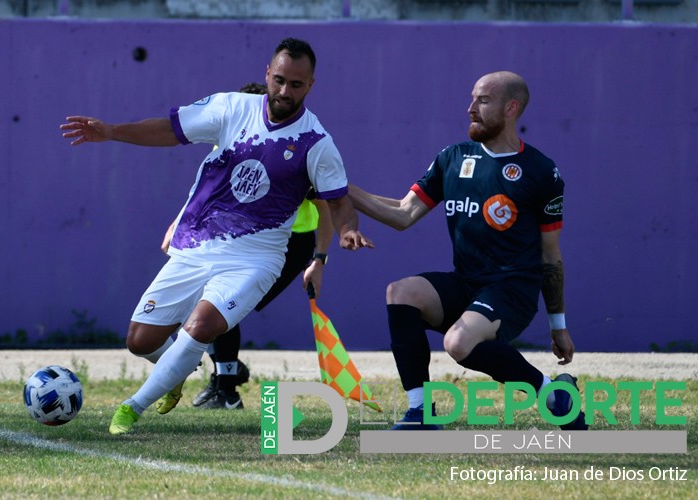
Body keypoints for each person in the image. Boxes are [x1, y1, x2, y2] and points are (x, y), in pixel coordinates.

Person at [60, 37, 373, 435]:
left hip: (256, 258)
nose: (284, 91)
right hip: (197, 245)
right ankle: (174, 375)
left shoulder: (316, 143)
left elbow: (339, 201)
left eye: (296, 84)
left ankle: (132, 407)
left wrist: (347, 232)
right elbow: (169, 131)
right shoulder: (230, 108)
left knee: (202, 326)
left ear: (311, 85)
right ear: (267, 74)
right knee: (140, 341)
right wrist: (111, 132)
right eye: (279, 80)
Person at [347, 71, 588, 430]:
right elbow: (403, 213)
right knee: (401, 293)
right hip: (467, 283)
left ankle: (553, 395)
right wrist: (340, 187)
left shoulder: (541, 171)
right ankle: (420, 412)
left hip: (512, 291)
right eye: (472, 99)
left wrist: (559, 326)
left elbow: (550, 255)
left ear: (511, 108)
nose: (470, 108)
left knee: (457, 343)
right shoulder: (453, 158)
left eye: (482, 101)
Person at [156, 82, 335, 410]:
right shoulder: (231, 141)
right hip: (235, 236)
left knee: (222, 303)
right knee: (211, 302)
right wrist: (177, 224)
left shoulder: (287, 151)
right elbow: (204, 193)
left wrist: (319, 259)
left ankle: (226, 388)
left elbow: (325, 209)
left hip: (286, 244)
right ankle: (226, 375)